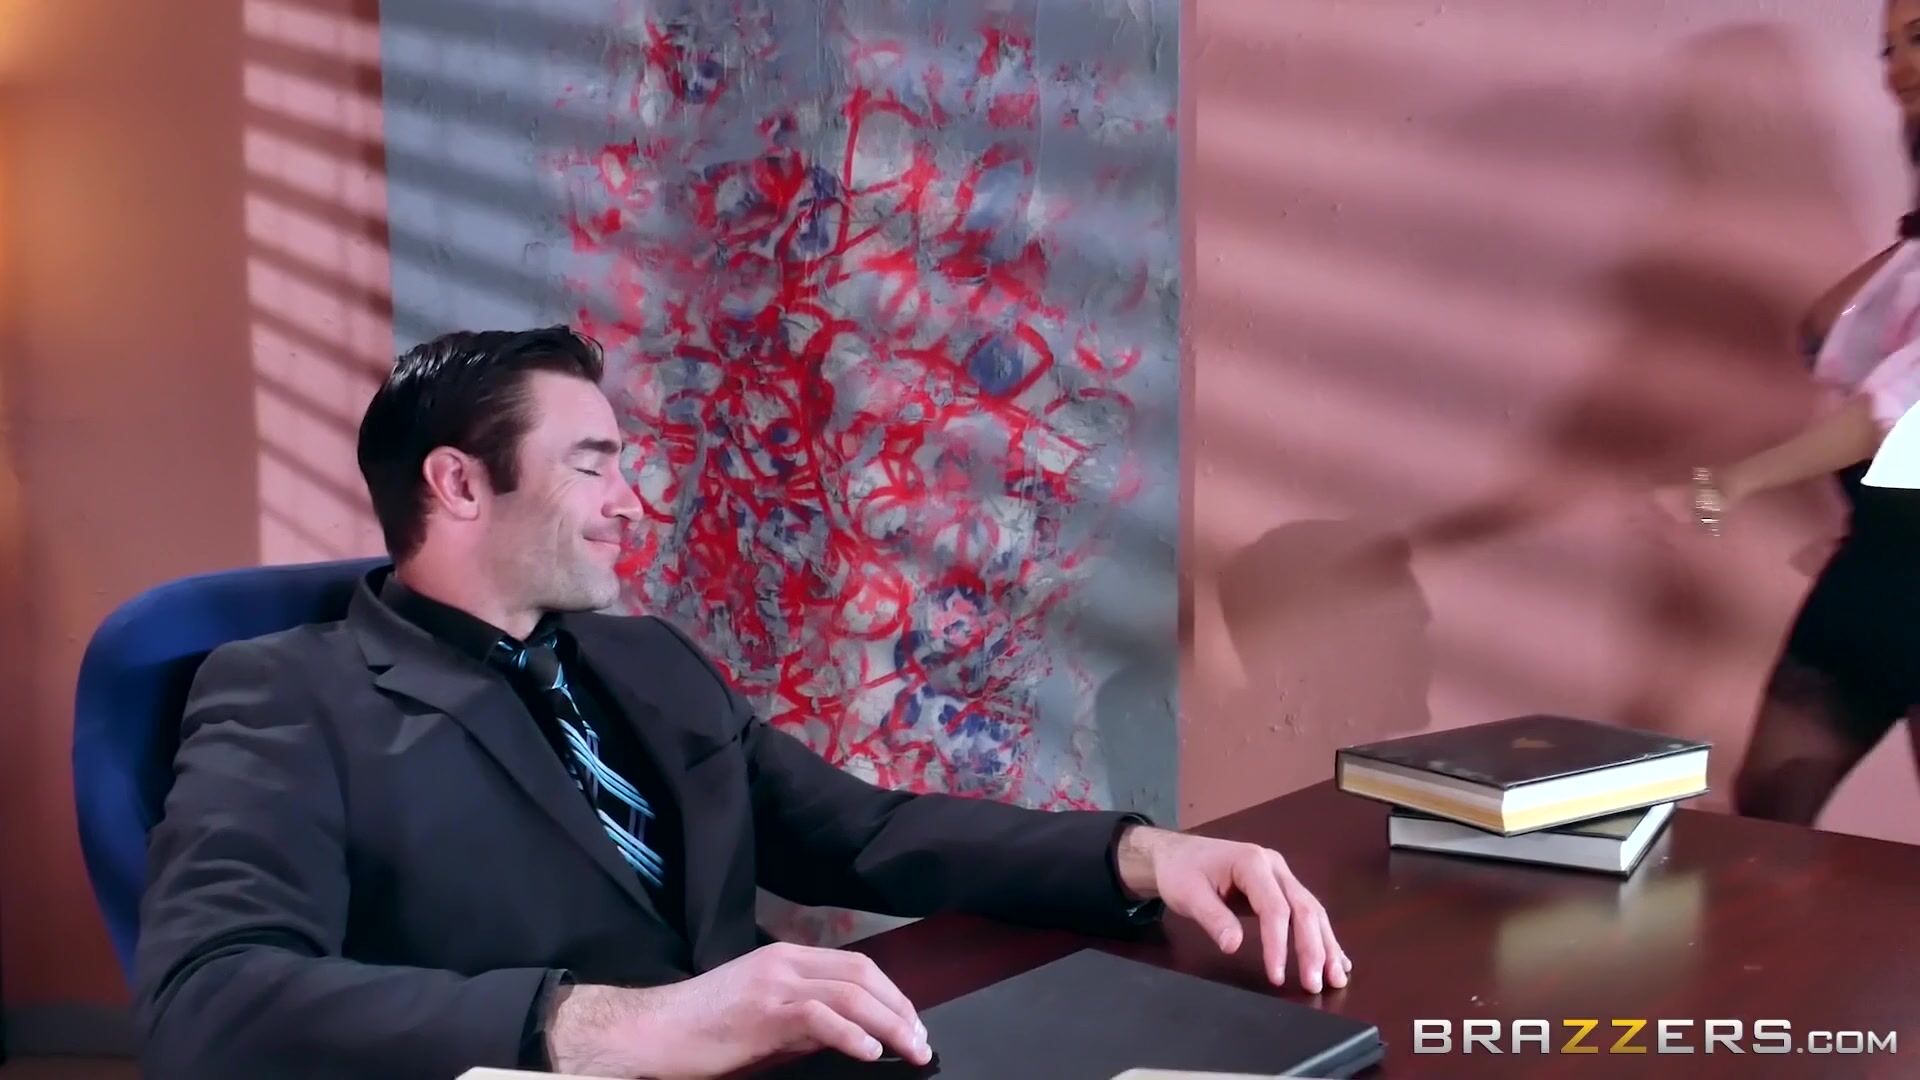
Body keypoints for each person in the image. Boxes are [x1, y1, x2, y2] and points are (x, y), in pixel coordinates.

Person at [134, 327, 1350, 1080]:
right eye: (594, 464)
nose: (631, 501)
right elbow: (209, 999)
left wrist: (1139, 855)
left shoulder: (644, 659)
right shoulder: (285, 693)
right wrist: (614, 1027)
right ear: (457, 483)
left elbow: (862, 834)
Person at [1663, 0, 1920, 824]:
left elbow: (1896, 408)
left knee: (1773, 806)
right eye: (1887, 47)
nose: (1896, 67)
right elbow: (1827, 336)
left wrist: (1735, 482)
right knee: (1771, 804)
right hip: (1880, 564)